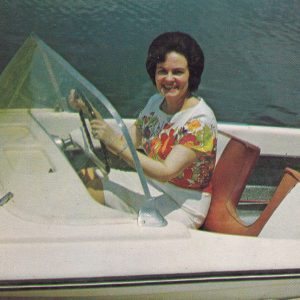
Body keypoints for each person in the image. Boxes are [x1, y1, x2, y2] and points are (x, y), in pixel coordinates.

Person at [69, 32, 217, 229]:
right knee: (83, 180)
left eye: (178, 72)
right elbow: (125, 141)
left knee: (103, 212)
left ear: (192, 74)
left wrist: (116, 144)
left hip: (183, 204)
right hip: (151, 186)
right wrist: (88, 110)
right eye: (162, 71)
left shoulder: (200, 121)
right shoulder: (156, 102)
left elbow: (166, 172)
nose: (169, 79)